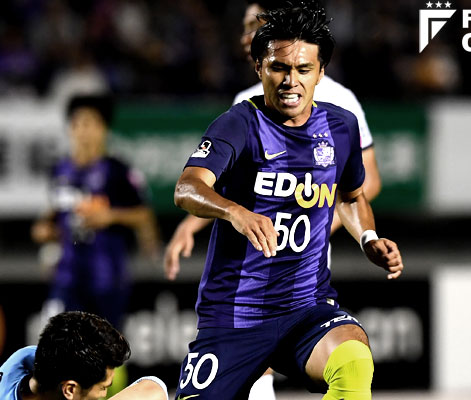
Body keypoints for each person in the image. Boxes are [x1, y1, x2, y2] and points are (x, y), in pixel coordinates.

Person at [169, 5, 402, 400]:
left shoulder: (341, 126)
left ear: (320, 72)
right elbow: (187, 188)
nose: (291, 81)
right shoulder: (238, 123)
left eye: (303, 69)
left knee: (354, 360)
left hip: (307, 307)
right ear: (259, 68)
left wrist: (368, 238)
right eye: (279, 68)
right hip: (236, 314)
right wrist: (235, 212)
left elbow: (351, 197)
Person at [30, 94, 160, 396]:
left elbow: (144, 215)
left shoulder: (117, 171)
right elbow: (54, 215)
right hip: (67, 275)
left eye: (90, 123)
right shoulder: (60, 171)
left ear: (103, 129)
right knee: (55, 346)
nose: (83, 131)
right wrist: (44, 229)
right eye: (77, 124)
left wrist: (111, 216)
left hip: (107, 277)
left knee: (107, 352)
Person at [0, 311, 168, 400]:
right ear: (70, 389)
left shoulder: (28, 357)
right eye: (103, 388)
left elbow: (154, 389)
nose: (104, 395)